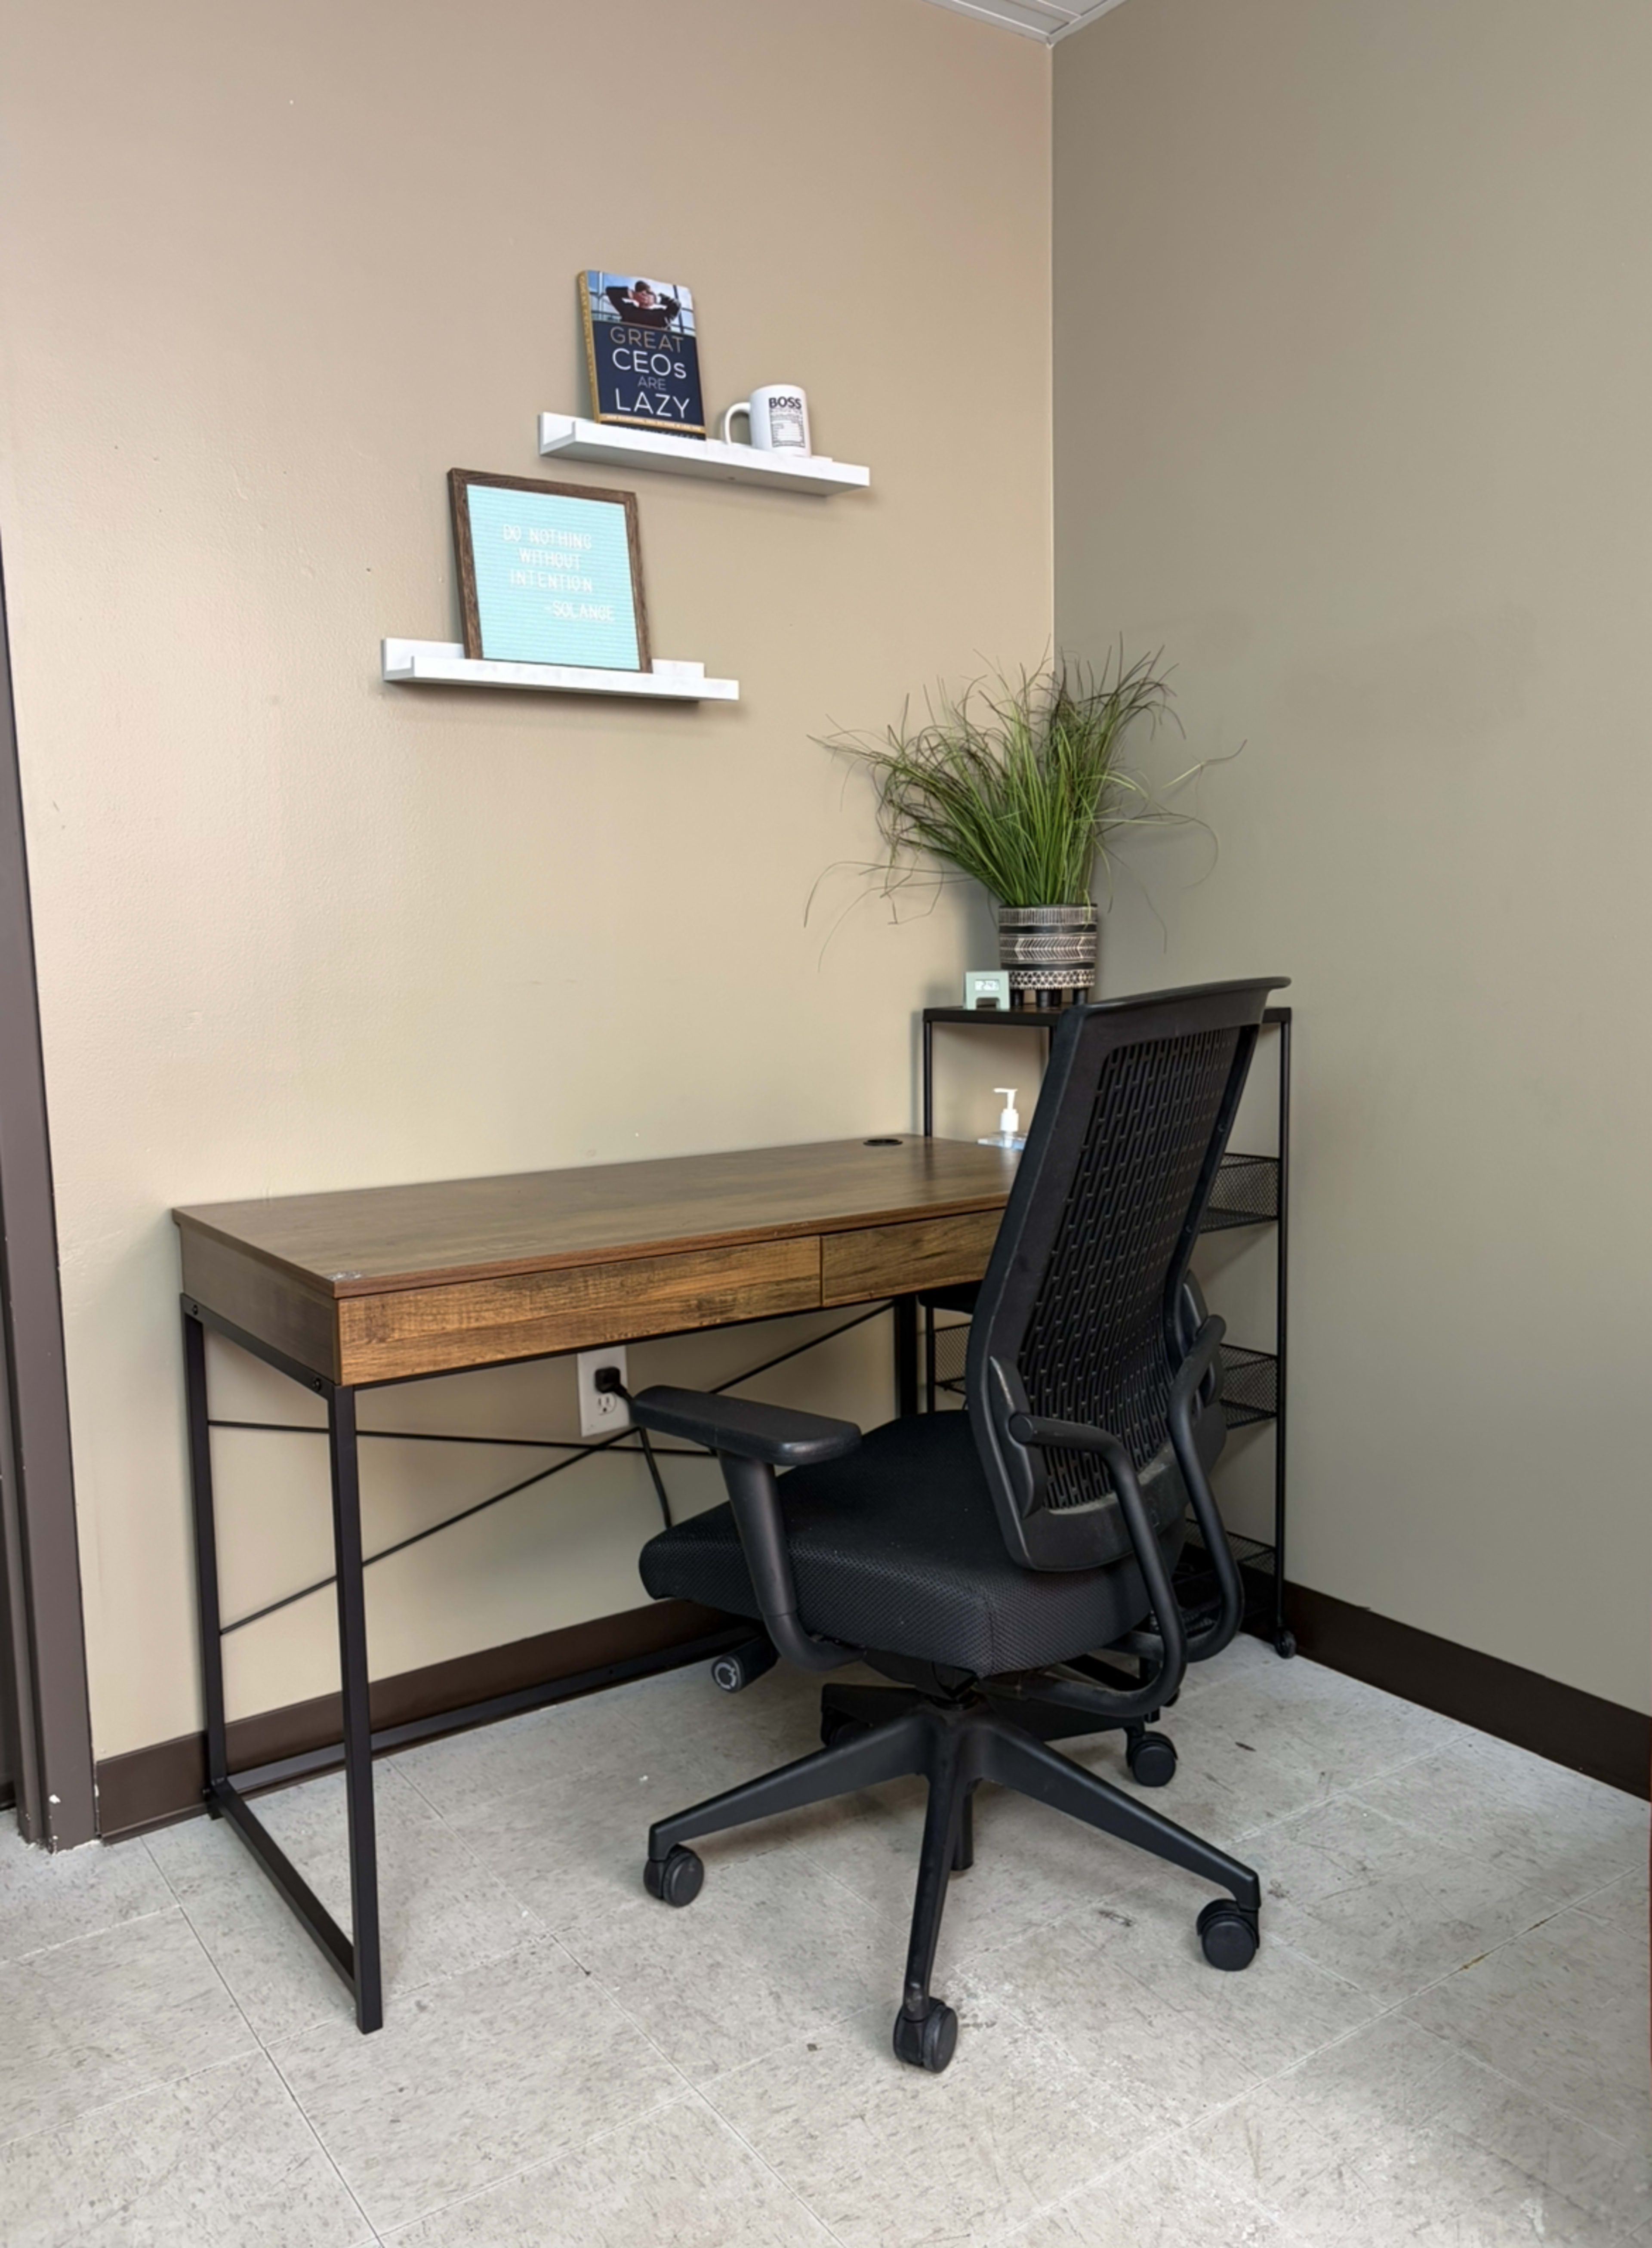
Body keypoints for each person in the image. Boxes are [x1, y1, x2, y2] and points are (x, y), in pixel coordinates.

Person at [604, 278, 683, 332]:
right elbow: (610, 292)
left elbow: (677, 305)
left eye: (647, 294)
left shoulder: (661, 316)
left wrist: (656, 299)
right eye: (641, 294)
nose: (644, 297)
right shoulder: (629, 311)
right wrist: (632, 295)